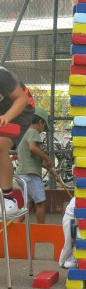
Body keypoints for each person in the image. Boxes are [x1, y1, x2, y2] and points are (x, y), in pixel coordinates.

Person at [0, 66, 35, 215]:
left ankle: (8, 198)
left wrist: (6, 117)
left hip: (22, 108)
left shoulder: (2, 75)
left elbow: (22, 99)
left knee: (0, 145)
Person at [16, 107, 57, 224]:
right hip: (31, 175)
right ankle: (41, 229)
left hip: (22, 174)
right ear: (40, 122)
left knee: (27, 205)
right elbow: (33, 148)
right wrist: (48, 157)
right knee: (41, 203)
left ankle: (12, 228)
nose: (42, 130)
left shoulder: (24, 133)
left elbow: (36, 160)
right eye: (44, 127)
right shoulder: (34, 132)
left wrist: (50, 168)